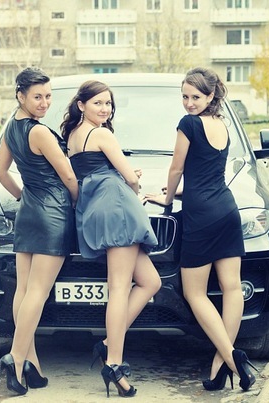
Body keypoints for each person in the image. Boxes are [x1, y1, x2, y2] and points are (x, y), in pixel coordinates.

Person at [144, 67, 257, 391]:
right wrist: (182, 191)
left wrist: (167, 198)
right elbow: (207, 173)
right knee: (232, 288)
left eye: (195, 97)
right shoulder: (221, 124)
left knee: (195, 293)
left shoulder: (189, 124)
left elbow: (176, 168)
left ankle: (233, 359)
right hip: (226, 210)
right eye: (184, 97)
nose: (189, 103)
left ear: (210, 96)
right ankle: (221, 366)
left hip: (202, 216)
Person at [60, 80, 161, 398]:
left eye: (108, 104)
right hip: (116, 206)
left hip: (95, 206)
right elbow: (129, 177)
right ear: (82, 105)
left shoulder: (72, 136)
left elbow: (89, 173)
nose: (105, 109)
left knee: (150, 282)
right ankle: (114, 362)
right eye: (98, 103)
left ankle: (107, 343)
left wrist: (119, 176)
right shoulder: (101, 134)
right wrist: (134, 190)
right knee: (119, 287)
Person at [0, 67, 78, 396]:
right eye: (37, 97)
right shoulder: (39, 132)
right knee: (38, 292)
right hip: (53, 213)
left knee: (25, 290)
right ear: (21, 96)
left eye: (48, 96)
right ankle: (16, 358)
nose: (44, 103)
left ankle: (32, 364)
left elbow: (0, 171)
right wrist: (76, 203)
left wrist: (22, 196)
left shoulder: (12, 128)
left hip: (29, 211)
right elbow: (68, 176)